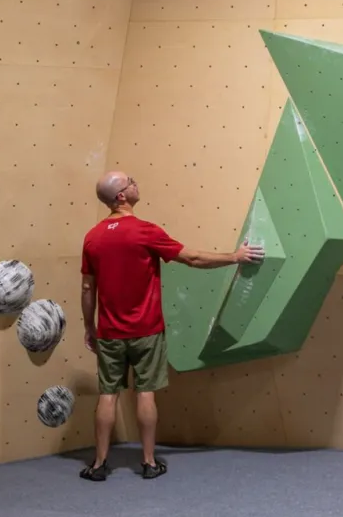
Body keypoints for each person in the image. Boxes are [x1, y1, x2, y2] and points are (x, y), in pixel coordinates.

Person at [79, 170, 265, 482]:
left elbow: (87, 289)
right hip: (147, 331)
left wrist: (89, 327)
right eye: (131, 181)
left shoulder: (92, 237)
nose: (137, 183)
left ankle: (99, 465)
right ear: (121, 197)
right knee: (145, 393)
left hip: (109, 332)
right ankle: (149, 463)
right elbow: (192, 258)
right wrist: (235, 256)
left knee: (107, 394)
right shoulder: (144, 231)